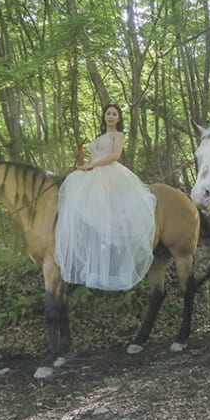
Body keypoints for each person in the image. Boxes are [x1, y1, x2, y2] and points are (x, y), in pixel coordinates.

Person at [55, 103, 157, 290]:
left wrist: (92, 166)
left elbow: (114, 156)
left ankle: (113, 244)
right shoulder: (98, 137)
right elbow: (93, 157)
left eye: (114, 114)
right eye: (108, 113)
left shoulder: (117, 135)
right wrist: (84, 165)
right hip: (94, 171)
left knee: (106, 208)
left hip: (110, 172)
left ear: (118, 118)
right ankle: (91, 255)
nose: (110, 116)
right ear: (104, 116)